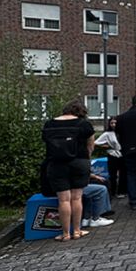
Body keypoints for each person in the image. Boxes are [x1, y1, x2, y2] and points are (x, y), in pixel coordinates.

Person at [41, 99, 95, 242]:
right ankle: (77, 231)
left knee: (63, 200)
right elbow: (91, 144)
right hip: (79, 163)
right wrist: (86, 158)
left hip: (57, 164)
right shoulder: (84, 124)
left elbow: (46, 143)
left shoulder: (49, 124)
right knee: (76, 198)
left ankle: (65, 234)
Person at [94, 116, 124, 197]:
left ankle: (121, 191)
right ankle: (113, 192)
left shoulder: (122, 132)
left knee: (123, 174)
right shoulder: (107, 134)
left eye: (115, 123)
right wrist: (106, 146)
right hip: (112, 155)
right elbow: (96, 142)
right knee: (113, 175)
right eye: (112, 123)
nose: (113, 125)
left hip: (122, 155)